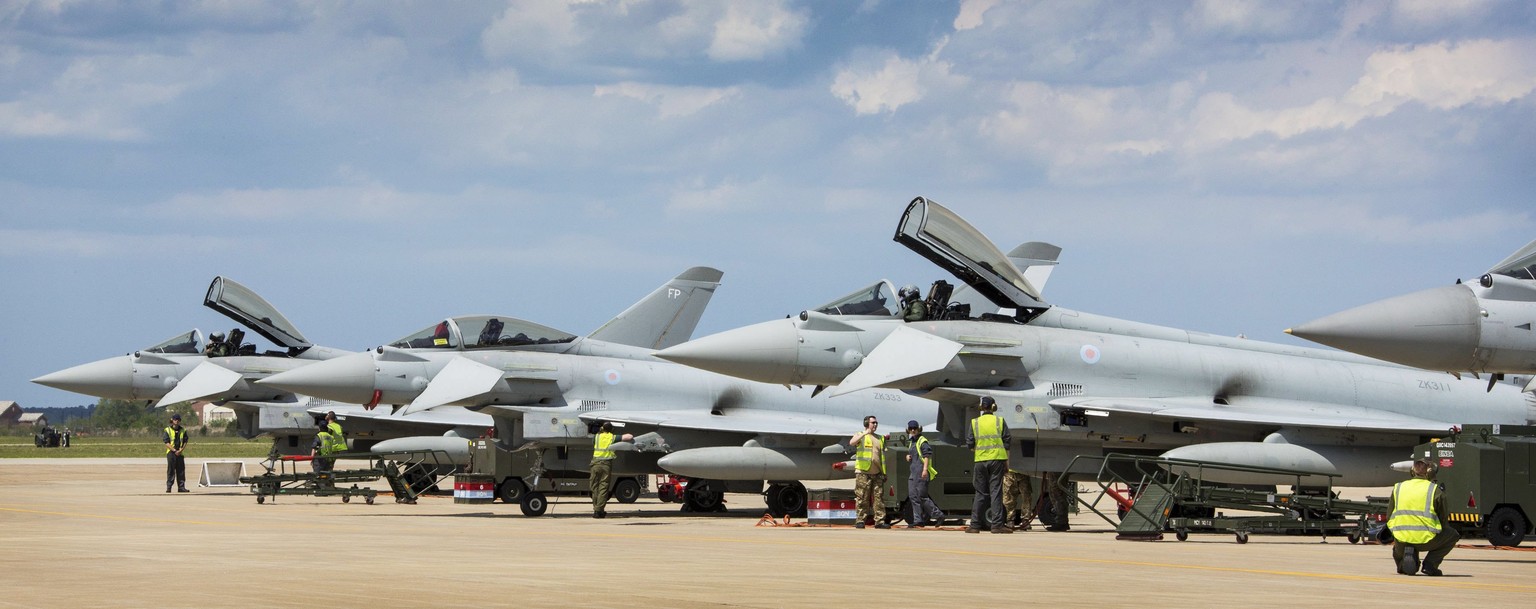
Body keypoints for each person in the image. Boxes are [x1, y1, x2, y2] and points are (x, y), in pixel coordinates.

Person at [1388, 459, 1458, 576]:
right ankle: (1430, 564)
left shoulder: (1398, 487)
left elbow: (1389, 515)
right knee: (1453, 535)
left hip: (1402, 541)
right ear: (1430, 472)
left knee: (1398, 541)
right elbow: (1443, 518)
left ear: (1412, 471)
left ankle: (1402, 564)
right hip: (1426, 540)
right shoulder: (1434, 490)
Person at [964, 396, 1010, 534]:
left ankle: (974, 525)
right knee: (995, 492)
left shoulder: (975, 422)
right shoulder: (999, 421)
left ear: (981, 407)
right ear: (993, 407)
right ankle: (996, 525)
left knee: (980, 493)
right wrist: (1007, 463)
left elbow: (970, 443)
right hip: (997, 460)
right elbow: (1007, 442)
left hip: (980, 461)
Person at [849, 415, 890, 529]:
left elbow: (882, 457)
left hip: (877, 473)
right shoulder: (860, 435)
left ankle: (880, 521)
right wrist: (864, 433)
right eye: (873, 423)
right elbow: (852, 442)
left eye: (876, 423)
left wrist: (884, 473)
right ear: (867, 424)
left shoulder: (880, 438)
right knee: (862, 497)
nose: (875, 425)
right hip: (863, 472)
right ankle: (860, 520)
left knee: (878, 498)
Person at [904, 420, 945, 528]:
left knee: (922, 496)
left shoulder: (922, 441)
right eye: (911, 429)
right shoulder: (911, 441)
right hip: (913, 473)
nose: (913, 430)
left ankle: (938, 515)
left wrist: (925, 470)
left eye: (915, 428)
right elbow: (914, 455)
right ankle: (918, 520)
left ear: (918, 429)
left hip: (920, 472)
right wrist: (908, 457)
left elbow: (927, 455)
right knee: (913, 496)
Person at [589, 422, 633, 518]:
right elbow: (629, 437)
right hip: (606, 465)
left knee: (594, 487)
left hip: (595, 464)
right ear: (611, 429)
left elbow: (593, 442)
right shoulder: (612, 437)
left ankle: (596, 508)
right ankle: (598, 510)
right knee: (603, 487)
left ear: (602, 428)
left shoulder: (597, 437)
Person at [1002, 465, 1035, 531]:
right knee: (1009, 498)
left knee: (1027, 497)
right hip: (1009, 473)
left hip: (1024, 472)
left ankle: (1025, 520)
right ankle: (1009, 520)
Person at [162, 413, 189, 493]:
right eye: (175, 419)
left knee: (181, 471)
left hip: (180, 453)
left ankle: (181, 487)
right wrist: (174, 450)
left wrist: (181, 450)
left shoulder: (183, 430)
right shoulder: (167, 430)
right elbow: (166, 442)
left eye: (178, 419)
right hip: (171, 453)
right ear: (172, 420)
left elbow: (185, 441)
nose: (176, 421)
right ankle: (169, 487)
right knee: (171, 471)